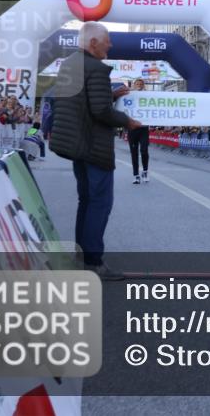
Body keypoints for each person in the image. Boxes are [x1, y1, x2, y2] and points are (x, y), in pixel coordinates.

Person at [49, 22, 143, 280]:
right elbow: (100, 111)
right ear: (93, 43)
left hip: (76, 144)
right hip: (94, 147)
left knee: (86, 200)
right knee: (100, 203)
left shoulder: (70, 64)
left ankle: (81, 256)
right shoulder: (97, 69)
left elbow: (81, 101)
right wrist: (127, 121)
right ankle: (93, 262)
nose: (110, 45)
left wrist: (111, 95)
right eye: (106, 40)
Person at [128, 79, 152, 184]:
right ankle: (136, 175)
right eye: (137, 84)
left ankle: (145, 171)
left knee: (144, 150)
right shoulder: (129, 95)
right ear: (134, 85)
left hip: (143, 128)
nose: (139, 85)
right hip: (132, 128)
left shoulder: (148, 95)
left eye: (141, 84)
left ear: (143, 85)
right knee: (134, 153)